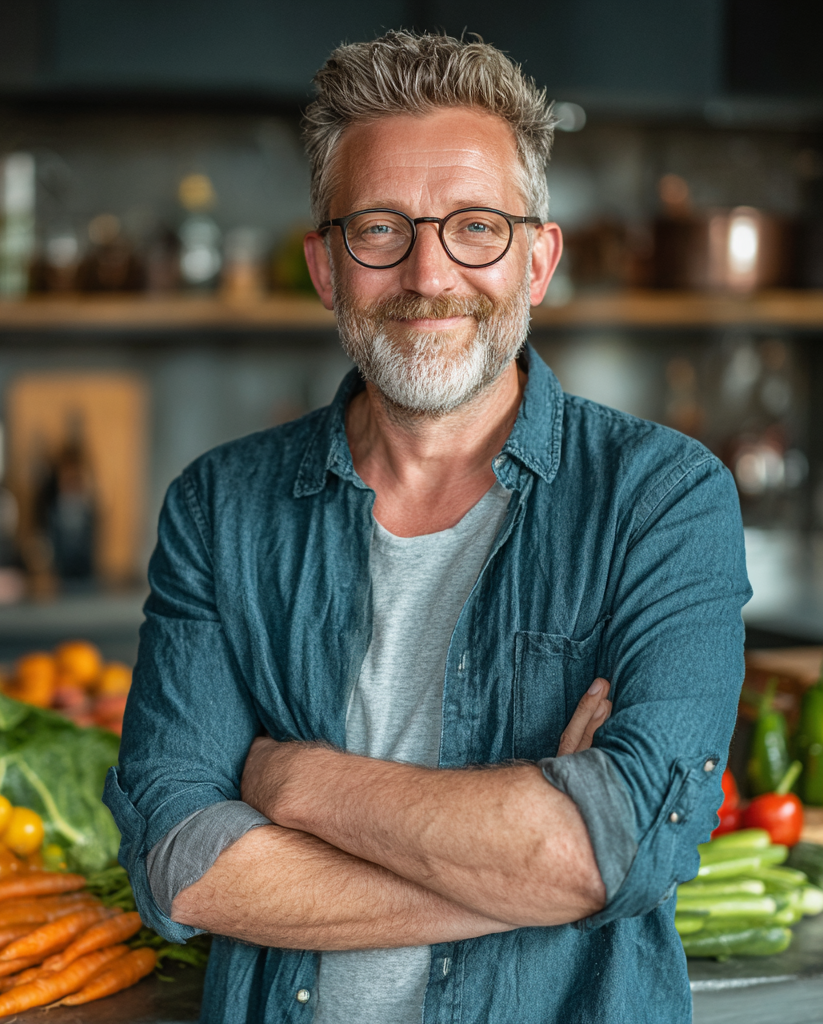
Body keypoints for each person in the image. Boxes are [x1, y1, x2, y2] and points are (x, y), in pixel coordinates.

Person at [105, 30, 750, 1024]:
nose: (428, 273)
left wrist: (293, 780)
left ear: (536, 260)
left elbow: (609, 846)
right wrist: (525, 870)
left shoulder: (660, 498)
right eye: (378, 229)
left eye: (476, 227)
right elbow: (186, 866)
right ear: (325, 266)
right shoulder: (218, 509)